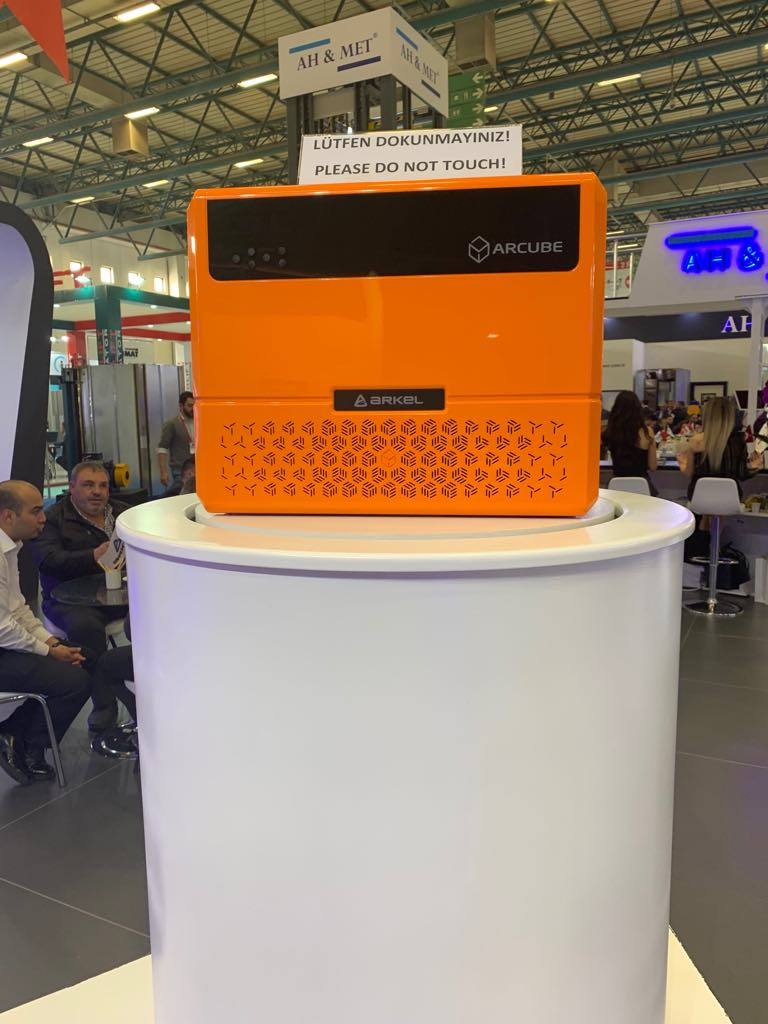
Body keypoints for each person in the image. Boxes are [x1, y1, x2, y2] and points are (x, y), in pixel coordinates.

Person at [0, 481, 90, 785]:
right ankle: (27, 745)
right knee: (75, 681)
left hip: (5, 645)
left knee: (82, 662)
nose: (43, 519)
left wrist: (51, 642)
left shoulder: (9, 548)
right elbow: (2, 628)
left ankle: (15, 735)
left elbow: (17, 609)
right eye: (36, 511)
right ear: (8, 516)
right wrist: (50, 651)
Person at [29, 462, 128, 732]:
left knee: (156, 615)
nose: (97, 492)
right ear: (71, 487)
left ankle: (150, 691)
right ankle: (104, 704)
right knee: (86, 628)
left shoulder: (123, 514)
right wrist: (92, 556)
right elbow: (47, 560)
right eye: (88, 485)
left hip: (121, 594)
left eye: (103, 486)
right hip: (70, 600)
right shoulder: (53, 519)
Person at [678, 397, 762, 498]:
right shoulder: (738, 440)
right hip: (730, 498)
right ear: (730, 417)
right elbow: (742, 475)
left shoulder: (696, 440)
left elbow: (689, 474)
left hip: (699, 497)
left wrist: (683, 464)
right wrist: (755, 465)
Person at [603, 390, 658, 494]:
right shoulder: (647, 432)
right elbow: (653, 466)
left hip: (617, 486)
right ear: (638, 409)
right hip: (642, 486)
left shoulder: (610, 432)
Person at [158, 392, 195, 488]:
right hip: (180, 470)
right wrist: (163, 471)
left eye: (194, 405)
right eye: (189, 405)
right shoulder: (172, 424)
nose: (193, 408)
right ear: (181, 406)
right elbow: (162, 448)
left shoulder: (198, 422)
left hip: (197, 468)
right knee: (182, 493)